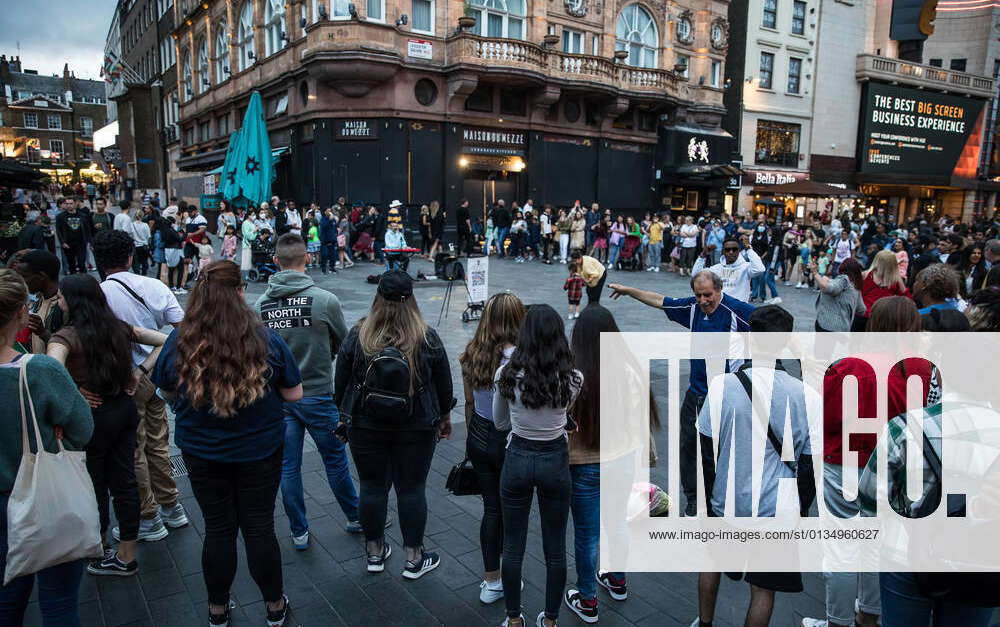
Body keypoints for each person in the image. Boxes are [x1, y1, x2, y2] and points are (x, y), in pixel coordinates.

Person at [152, 260, 299, 627]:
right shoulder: (265, 337)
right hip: (260, 450)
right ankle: (274, 606)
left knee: (218, 528)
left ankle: (218, 609)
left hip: (202, 451)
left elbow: (164, 389)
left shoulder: (180, 340)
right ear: (239, 292)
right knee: (259, 526)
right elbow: (294, 394)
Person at [802, 295, 933, 627]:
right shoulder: (920, 368)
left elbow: (830, 421)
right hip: (892, 466)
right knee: (876, 544)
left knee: (841, 550)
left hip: (844, 462)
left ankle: (837, 621)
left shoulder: (850, 366)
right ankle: (869, 616)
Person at [693, 305, 817, 627]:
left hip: (728, 503)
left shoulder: (722, 386)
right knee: (763, 591)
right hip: (775, 510)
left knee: (711, 562)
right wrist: (801, 512)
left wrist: (708, 505)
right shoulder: (803, 395)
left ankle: (704, 623)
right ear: (786, 341)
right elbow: (807, 465)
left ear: (750, 337)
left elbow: (706, 454)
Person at [334, 271, 454, 578]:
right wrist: (443, 417)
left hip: (365, 424)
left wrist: (344, 415)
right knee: (411, 489)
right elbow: (445, 387)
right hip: (415, 426)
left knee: (372, 488)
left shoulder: (359, 334)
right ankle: (414, 558)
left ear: (377, 299)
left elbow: (341, 383)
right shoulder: (426, 336)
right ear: (411, 300)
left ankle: (375, 553)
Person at [47, 274, 166, 577]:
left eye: (61, 298)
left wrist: (73, 389)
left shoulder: (65, 337)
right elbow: (166, 341)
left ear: (73, 302)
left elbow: (49, 375)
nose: (59, 302)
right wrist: (140, 372)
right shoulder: (118, 328)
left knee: (94, 486)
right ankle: (126, 555)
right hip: (124, 411)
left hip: (92, 420)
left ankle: (98, 545)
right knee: (125, 483)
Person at [608, 271, 754, 515]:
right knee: (689, 450)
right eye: (698, 295)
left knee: (720, 452)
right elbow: (659, 300)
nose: (703, 300)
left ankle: (722, 501)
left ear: (719, 290)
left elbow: (774, 325)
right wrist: (628, 290)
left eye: (707, 295)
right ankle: (695, 499)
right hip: (696, 393)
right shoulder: (694, 308)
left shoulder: (737, 310)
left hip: (726, 396)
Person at [255, 234, 365, 549]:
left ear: (276, 261)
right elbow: (346, 346)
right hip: (317, 393)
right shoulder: (324, 300)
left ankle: (299, 530)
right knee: (335, 460)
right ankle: (355, 516)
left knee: (288, 466)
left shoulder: (261, 306)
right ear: (308, 259)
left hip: (279, 398)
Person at [0, 269, 94, 626]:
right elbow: (83, 428)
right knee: (58, 599)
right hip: (43, 496)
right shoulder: (37, 370)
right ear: (22, 312)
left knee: (8, 598)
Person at [91, 230, 189, 543]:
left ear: (97, 259)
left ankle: (149, 516)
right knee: (159, 442)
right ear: (130, 256)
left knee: (133, 448)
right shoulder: (154, 286)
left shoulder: (98, 295)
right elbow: (182, 331)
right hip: (157, 373)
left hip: (121, 379)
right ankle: (172, 506)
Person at [493, 304, 582, 627]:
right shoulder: (573, 377)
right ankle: (551, 619)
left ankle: (514, 618)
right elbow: (562, 416)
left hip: (517, 455)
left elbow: (501, 423)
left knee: (513, 544)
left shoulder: (505, 374)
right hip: (554, 458)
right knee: (555, 547)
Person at [564, 305, 640, 624]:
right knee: (618, 522)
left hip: (584, 462)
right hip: (621, 458)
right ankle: (617, 579)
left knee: (587, 533)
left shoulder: (570, 375)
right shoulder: (629, 370)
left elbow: (561, 419)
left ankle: (587, 599)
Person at [458, 292, 526, 605]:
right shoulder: (519, 358)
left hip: (478, 434)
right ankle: (510, 577)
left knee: (491, 509)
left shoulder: (472, 351)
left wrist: (472, 438)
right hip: (507, 438)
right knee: (512, 510)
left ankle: (491, 579)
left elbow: (470, 402)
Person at [12, 250, 63, 354]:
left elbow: (69, 348)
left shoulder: (64, 305)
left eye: (24, 277)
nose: (22, 282)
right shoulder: (37, 302)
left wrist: (43, 333)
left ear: (41, 276)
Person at [691, 235, 766, 303]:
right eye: (727, 250)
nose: (731, 252)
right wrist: (703, 255)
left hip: (739, 309)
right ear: (723, 251)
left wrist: (748, 248)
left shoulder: (745, 267)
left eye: (734, 249)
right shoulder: (716, 268)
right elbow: (695, 275)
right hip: (720, 308)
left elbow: (760, 269)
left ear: (739, 251)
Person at [813, 257, 865, 332]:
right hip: (844, 328)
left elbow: (826, 288)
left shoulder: (844, 279)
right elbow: (862, 309)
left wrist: (815, 273)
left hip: (827, 326)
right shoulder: (855, 286)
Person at [860, 250, 910, 320]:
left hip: (881, 316)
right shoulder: (865, 275)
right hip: (872, 316)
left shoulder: (896, 279)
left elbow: (906, 298)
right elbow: (907, 298)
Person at [55, 197, 91, 275]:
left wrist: (88, 241)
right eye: (67, 204)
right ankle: (73, 281)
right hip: (68, 243)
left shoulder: (82, 215)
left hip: (81, 243)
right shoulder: (60, 217)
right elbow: (58, 230)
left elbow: (87, 229)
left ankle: (84, 280)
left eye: (71, 203)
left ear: (75, 204)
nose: (69, 205)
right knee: (71, 264)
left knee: (82, 263)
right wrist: (63, 242)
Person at [129, 210, 151, 276]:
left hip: (135, 246)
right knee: (144, 261)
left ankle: (137, 274)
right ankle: (144, 275)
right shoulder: (145, 225)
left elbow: (130, 235)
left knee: (136, 263)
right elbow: (149, 236)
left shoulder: (131, 225)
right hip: (144, 246)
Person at [319, 207, 338, 274]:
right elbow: (324, 226)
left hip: (332, 240)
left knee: (333, 255)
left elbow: (335, 228)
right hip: (325, 240)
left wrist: (335, 236)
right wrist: (329, 220)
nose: (330, 212)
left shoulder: (333, 220)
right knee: (324, 255)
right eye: (328, 211)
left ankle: (332, 268)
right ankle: (323, 269)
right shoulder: (323, 219)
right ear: (325, 212)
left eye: (330, 211)